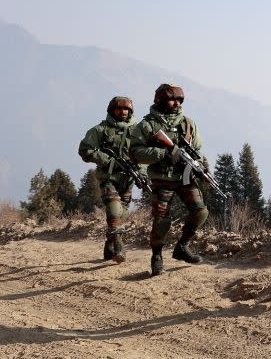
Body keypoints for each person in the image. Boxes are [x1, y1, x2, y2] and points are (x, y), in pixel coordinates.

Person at [130, 84, 209, 276]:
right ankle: (157, 256)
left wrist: (200, 165)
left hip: (185, 177)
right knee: (162, 220)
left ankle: (182, 246)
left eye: (179, 100)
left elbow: (197, 150)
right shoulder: (148, 125)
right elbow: (135, 152)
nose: (176, 103)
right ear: (160, 100)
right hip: (162, 178)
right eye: (172, 99)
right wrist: (164, 154)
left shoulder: (188, 124)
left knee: (200, 212)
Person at [78, 96, 144, 263]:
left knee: (121, 214)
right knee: (114, 211)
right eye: (119, 109)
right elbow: (85, 149)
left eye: (126, 109)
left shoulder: (138, 130)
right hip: (108, 178)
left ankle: (109, 243)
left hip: (128, 179)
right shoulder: (101, 130)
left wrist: (141, 172)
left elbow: (143, 154)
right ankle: (119, 247)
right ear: (112, 110)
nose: (123, 112)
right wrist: (109, 161)